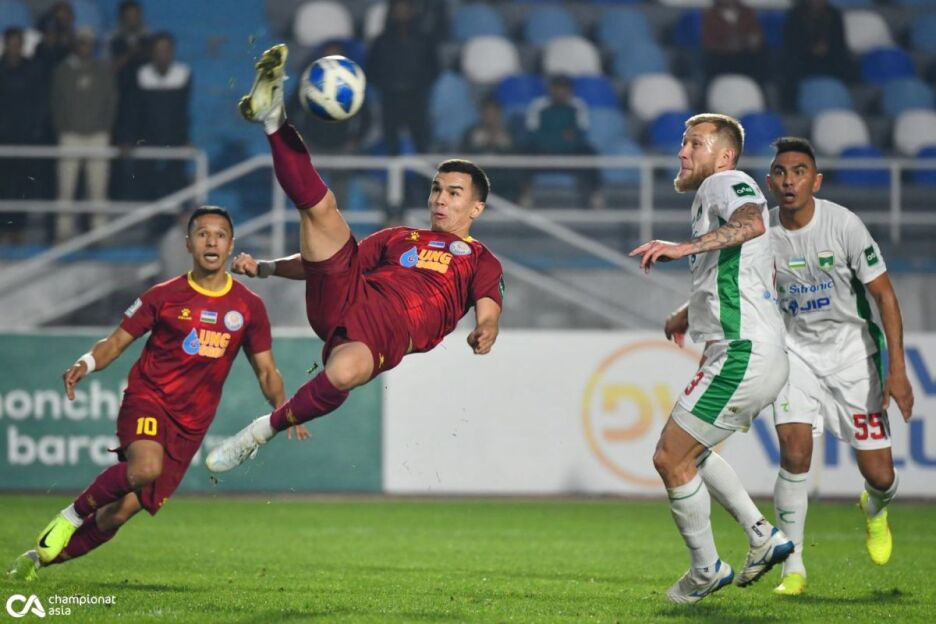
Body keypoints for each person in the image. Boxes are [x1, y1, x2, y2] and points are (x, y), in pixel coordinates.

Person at [204, 44, 504, 474]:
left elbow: (489, 305)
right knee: (322, 210)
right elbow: (325, 263)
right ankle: (273, 119)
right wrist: (268, 268)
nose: (440, 198)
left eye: (453, 193)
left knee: (343, 373)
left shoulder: (479, 258)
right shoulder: (398, 237)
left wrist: (487, 329)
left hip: (385, 333)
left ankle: (259, 432)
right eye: (436, 188)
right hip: (347, 294)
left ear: (476, 208)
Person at [6, 206, 307, 582]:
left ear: (231, 246)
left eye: (220, 235)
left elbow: (266, 370)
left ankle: (35, 560)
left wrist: (283, 410)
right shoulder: (164, 295)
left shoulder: (249, 307)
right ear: (188, 244)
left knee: (119, 512)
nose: (211, 241)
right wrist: (86, 362)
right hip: (149, 399)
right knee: (145, 468)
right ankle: (70, 516)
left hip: (191, 424)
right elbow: (116, 342)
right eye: (202, 234)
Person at [629, 113, 793, 604]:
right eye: (683, 143)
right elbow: (741, 265)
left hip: (743, 351)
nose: (682, 152)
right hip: (745, 350)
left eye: (694, 144)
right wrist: (687, 312)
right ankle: (762, 536)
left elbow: (751, 223)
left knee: (670, 457)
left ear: (724, 156)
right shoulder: (711, 194)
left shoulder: (726, 182)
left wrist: (681, 248)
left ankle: (706, 569)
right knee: (693, 452)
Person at [764, 137, 914, 596]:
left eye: (800, 172)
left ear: (816, 181)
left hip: (852, 357)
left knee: (881, 475)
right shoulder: (761, 233)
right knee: (794, 451)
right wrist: (688, 312)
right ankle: (793, 567)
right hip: (794, 354)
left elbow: (884, 296)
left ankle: (875, 508)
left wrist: (897, 369)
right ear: (770, 182)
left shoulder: (843, 224)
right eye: (781, 172)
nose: (789, 181)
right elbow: (728, 281)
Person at [50, 27, 117, 241]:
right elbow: (56, 103)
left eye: (89, 43)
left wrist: (104, 127)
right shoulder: (63, 71)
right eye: (82, 43)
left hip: (98, 136)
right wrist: (64, 127)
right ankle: (63, 231)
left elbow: (111, 102)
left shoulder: (103, 71)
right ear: (75, 45)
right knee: (66, 187)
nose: (86, 47)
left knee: (98, 187)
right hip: (70, 136)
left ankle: (100, 231)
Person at [701, 0, 765, 83]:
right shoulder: (711, 14)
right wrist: (728, 45)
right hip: (720, 59)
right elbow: (709, 43)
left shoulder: (747, 12)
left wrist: (750, 41)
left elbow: (756, 37)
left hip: (745, 57)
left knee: (760, 56)